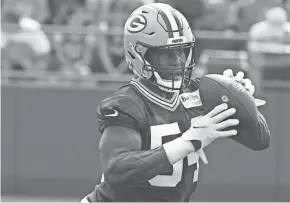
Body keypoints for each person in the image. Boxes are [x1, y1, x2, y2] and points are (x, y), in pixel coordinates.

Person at [82, 3, 270, 202]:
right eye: (166, 53)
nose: (178, 60)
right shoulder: (125, 103)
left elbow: (260, 141)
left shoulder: (202, 93)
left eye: (182, 50)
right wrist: (187, 142)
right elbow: (117, 170)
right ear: (138, 54)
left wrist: (243, 101)